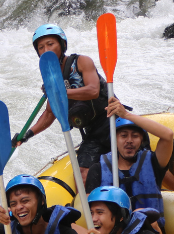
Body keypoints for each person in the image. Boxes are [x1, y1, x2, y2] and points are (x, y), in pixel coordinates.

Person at [13, 24, 112, 181]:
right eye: (41, 47)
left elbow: (93, 90)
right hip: (91, 133)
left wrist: (60, 92)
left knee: (138, 160)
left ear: (62, 44)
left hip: (112, 121)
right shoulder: (51, 78)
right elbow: (50, 112)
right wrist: (27, 135)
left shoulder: (81, 61)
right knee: (82, 174)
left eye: (50, 44)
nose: (46, 50)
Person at [84, 97, 174, 234]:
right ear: (115, 140)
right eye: (123, 136)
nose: (129, 140)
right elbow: (93, 214)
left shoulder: (154, 163)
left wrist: (126, 115)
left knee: (148, 221)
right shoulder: (97, 169)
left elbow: (167, 135)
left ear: (141, 140)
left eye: (135, 136)